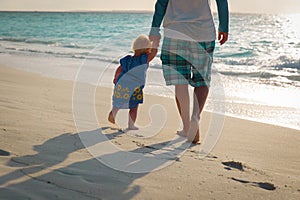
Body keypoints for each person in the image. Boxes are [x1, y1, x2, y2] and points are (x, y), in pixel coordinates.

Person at [149, 0, 229, 143]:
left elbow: (161, 3)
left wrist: (154, 31)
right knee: (202, 80)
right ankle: (195, 117)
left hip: (175, 32)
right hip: (203, 33)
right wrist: (224, 25)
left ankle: (187, 127)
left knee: (180, 81)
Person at [108, 34, 158, 130]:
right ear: (148, 48)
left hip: (121, 84)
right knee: (133, 107)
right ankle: (131, 125)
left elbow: (119, 69)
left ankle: (113, 113)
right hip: (134, 87)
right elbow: (154, 52)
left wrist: (115, 78)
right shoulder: (143, 59)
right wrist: (155, 41)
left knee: (118, 102)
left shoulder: (127, 59)